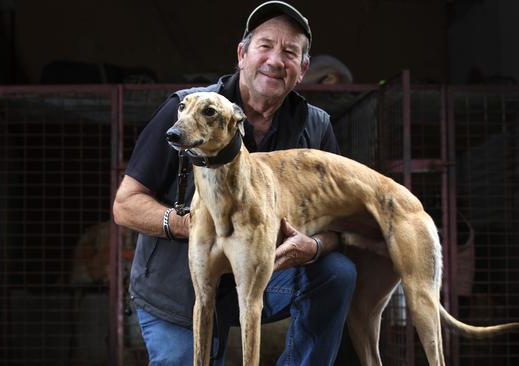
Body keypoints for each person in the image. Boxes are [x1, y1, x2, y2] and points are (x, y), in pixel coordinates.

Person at [113, 2, 357, 364]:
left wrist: (315, 245)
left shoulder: (315, 126)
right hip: (176, 286)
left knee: (336, 273)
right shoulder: (186, 109)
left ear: (303, 69)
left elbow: (341, 225)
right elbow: (125, 204)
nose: (275, 60)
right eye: (265, 46)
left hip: (266, 272)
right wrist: (188, 224)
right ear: (242, 54)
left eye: (290, 52)